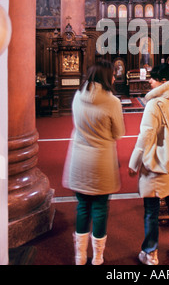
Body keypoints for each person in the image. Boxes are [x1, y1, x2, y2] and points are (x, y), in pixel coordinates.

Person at [62, 61, 125, 265]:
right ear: (106, 77)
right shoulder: (112, 102)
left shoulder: (77, 96)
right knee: (99, 208)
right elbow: (119, 133)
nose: (114, 78)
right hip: (101, 161)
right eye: (113, 75)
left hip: (79, 158)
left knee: (82, 206)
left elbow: (76, 124)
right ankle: (98, 256)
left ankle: (79, 256)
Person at [128, 63, 169, 266]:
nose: (149, 81)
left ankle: (150, 252)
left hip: (155, 161)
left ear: (163, 81)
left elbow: (146, 136)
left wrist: (134, 162)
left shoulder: (154, 104)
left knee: (152, 210)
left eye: (152, 78)